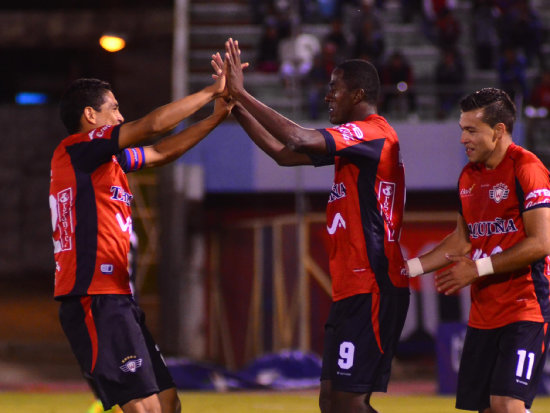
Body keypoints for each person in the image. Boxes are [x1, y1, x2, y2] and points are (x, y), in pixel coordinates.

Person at [221, 38, 410, 413]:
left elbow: (297, 137)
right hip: (351, 286)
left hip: (372, 283)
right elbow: (282, 155)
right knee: (331, 402)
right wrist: (235, 107)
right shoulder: (354, 145)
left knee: (350, 403)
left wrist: (244, 95)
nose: (327, 97)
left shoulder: (372, 133)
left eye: (334, 88)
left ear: (358, 93)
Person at [49, 66, 232, 412]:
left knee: (168, 402)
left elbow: (162, 152)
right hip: (95, 298)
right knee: (146, 409)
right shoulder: (76, 149)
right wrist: (211, 92)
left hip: (117, 299)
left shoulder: (107, 160)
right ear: (90, 115)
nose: (121, 115)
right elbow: (152, 126)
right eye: (114, 108)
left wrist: (215, 118)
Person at [406, 88, 550, 413]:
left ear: (499, 131)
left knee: (506, 403)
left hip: (524, 307)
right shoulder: (468, 177)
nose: (462, 139)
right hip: (483, 315)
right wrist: (407, 270)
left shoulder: (526, 168)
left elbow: (541, 242)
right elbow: (461, 241)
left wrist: (478, 268)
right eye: (462, 129)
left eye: (471, 130)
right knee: (487, 407)